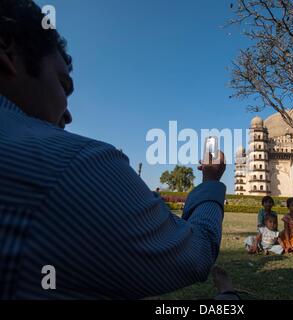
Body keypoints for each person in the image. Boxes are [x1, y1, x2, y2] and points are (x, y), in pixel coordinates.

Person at [0, 0, 226, 299]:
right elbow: (196, 255)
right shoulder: (73, 163)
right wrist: (211, 181)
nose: (67, 115)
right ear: (8, 52)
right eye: (62, 85)